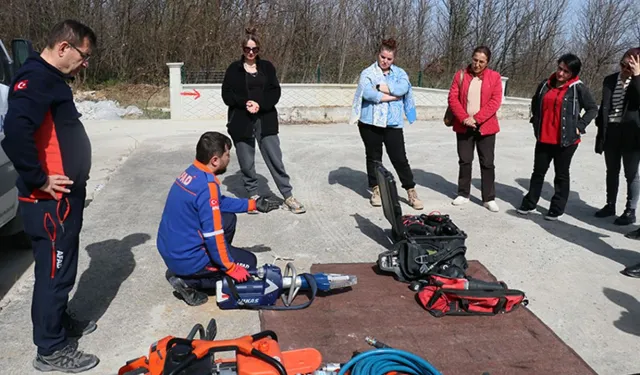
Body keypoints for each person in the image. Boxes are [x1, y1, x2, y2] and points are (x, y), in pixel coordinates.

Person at [0, 20, 99, 373]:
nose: (85, 63)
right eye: (83, 55)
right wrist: (39, 178)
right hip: (49, 202)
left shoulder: (49, 79)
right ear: (63, 47)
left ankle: (57, 321)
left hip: (63, 199)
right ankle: (50, 349)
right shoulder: (36, 79)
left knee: (61, 269)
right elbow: (13, 133)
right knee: (54, 273)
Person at [157, 131, 280, 306]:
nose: (229, 159)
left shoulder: (192, 173)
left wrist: (253, 205)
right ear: (215, 160)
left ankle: (210, 264)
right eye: (227, 155)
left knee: (228, 218)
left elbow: (220, 203)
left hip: (172, 249)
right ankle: (189, 281)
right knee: (249, 265)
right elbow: (213, 235)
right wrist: (230, 267)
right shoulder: (207, 187)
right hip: (187, 258)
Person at [221, 27, 305, 214]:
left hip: (265, 119)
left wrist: (260, 104)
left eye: (254, 49)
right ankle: (252, 196)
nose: (251, 52)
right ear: (242, 49)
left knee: (275, 158)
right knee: (246, 161)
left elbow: (275, 91)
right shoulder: (233, 69)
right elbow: (226, 95)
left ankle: (287, 194)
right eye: (247, 49)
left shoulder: (267, 67)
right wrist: (245, 103)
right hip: (241, 121)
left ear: (259, 50)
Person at [517, 53, 598, 221]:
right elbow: (535, 101)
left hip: (566, 140)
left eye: (566, 71)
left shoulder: (578, 88)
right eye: (560, 68)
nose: (561, 74)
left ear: (573, 74)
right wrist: (535, 120)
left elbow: (592, 109)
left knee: (561, 175)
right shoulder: (545, 85)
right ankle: (530, 202)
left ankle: (556, 208)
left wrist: (580, 126)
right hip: (544, 137)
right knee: (538, 172)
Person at [349, 38, 423, 210]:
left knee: (399, 158)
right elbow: (367, 93)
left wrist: (381, 87)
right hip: (370, 122)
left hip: (393, 124)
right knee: (374, 158)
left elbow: (403, 88)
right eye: (383, 57)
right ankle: (376, 189)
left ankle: (410, 190)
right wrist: (390, 96)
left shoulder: (400, 73)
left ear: (394, 59)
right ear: (378, 54)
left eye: (389, 59)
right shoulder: (367, 73)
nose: (385, 61)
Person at [447, 46, 503, 212]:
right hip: (463, 126)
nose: (477, 64)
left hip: (486, 127)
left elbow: (495, 101)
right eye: (475, 60)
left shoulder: (494, 77)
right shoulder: (460, 75)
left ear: (487, 62)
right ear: (471, 58)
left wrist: (477, 119)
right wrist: (464, 118)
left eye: (481, 61)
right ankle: (463, 193)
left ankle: (489, 198)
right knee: (465, 160)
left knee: (487, 163)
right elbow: (452, 98)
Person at [594, 48, 640, 227]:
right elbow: (604, 106)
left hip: (631, 134)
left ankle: (630, 210)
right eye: (624, 62)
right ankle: (610, 204)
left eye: (631, 64)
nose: (626, 67)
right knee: (611, 171)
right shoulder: (610, 80)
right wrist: (600, 127)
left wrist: (636, 76)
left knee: (631, 174)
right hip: (611, 130)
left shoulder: (637, 81)